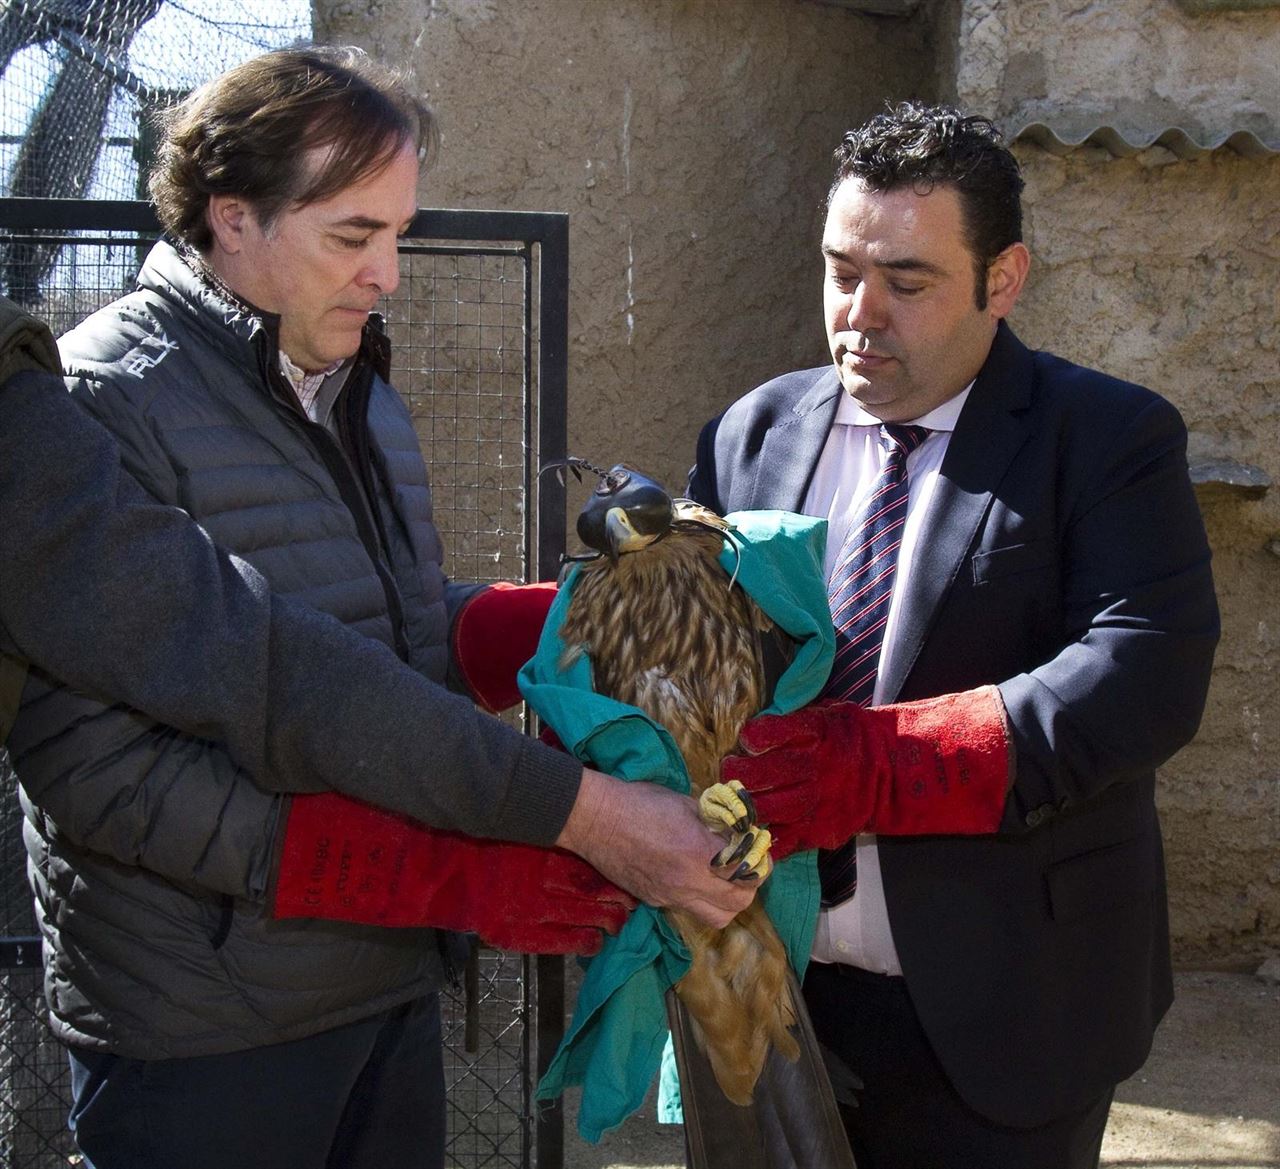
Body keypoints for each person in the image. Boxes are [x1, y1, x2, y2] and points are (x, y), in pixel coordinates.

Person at [2, 48, 754, 1169]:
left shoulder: (359, 391)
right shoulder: (98, 400)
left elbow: (386, 645)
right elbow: (97, 770)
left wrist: (550, 625)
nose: (387, 274)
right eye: (354, 236)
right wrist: (423, 867)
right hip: (206, 1029)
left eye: (398, 234)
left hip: (387, 984)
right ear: (233, 218)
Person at [690, 102, 1219, 1168]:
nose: (860, 313)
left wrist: (879, 764)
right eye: (841, 271)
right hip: (770, 996)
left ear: (1002, 280)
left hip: (1007, 1009)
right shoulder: (752, 431)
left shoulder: (1107, 437)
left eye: (908, 280)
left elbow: (1142, 674)